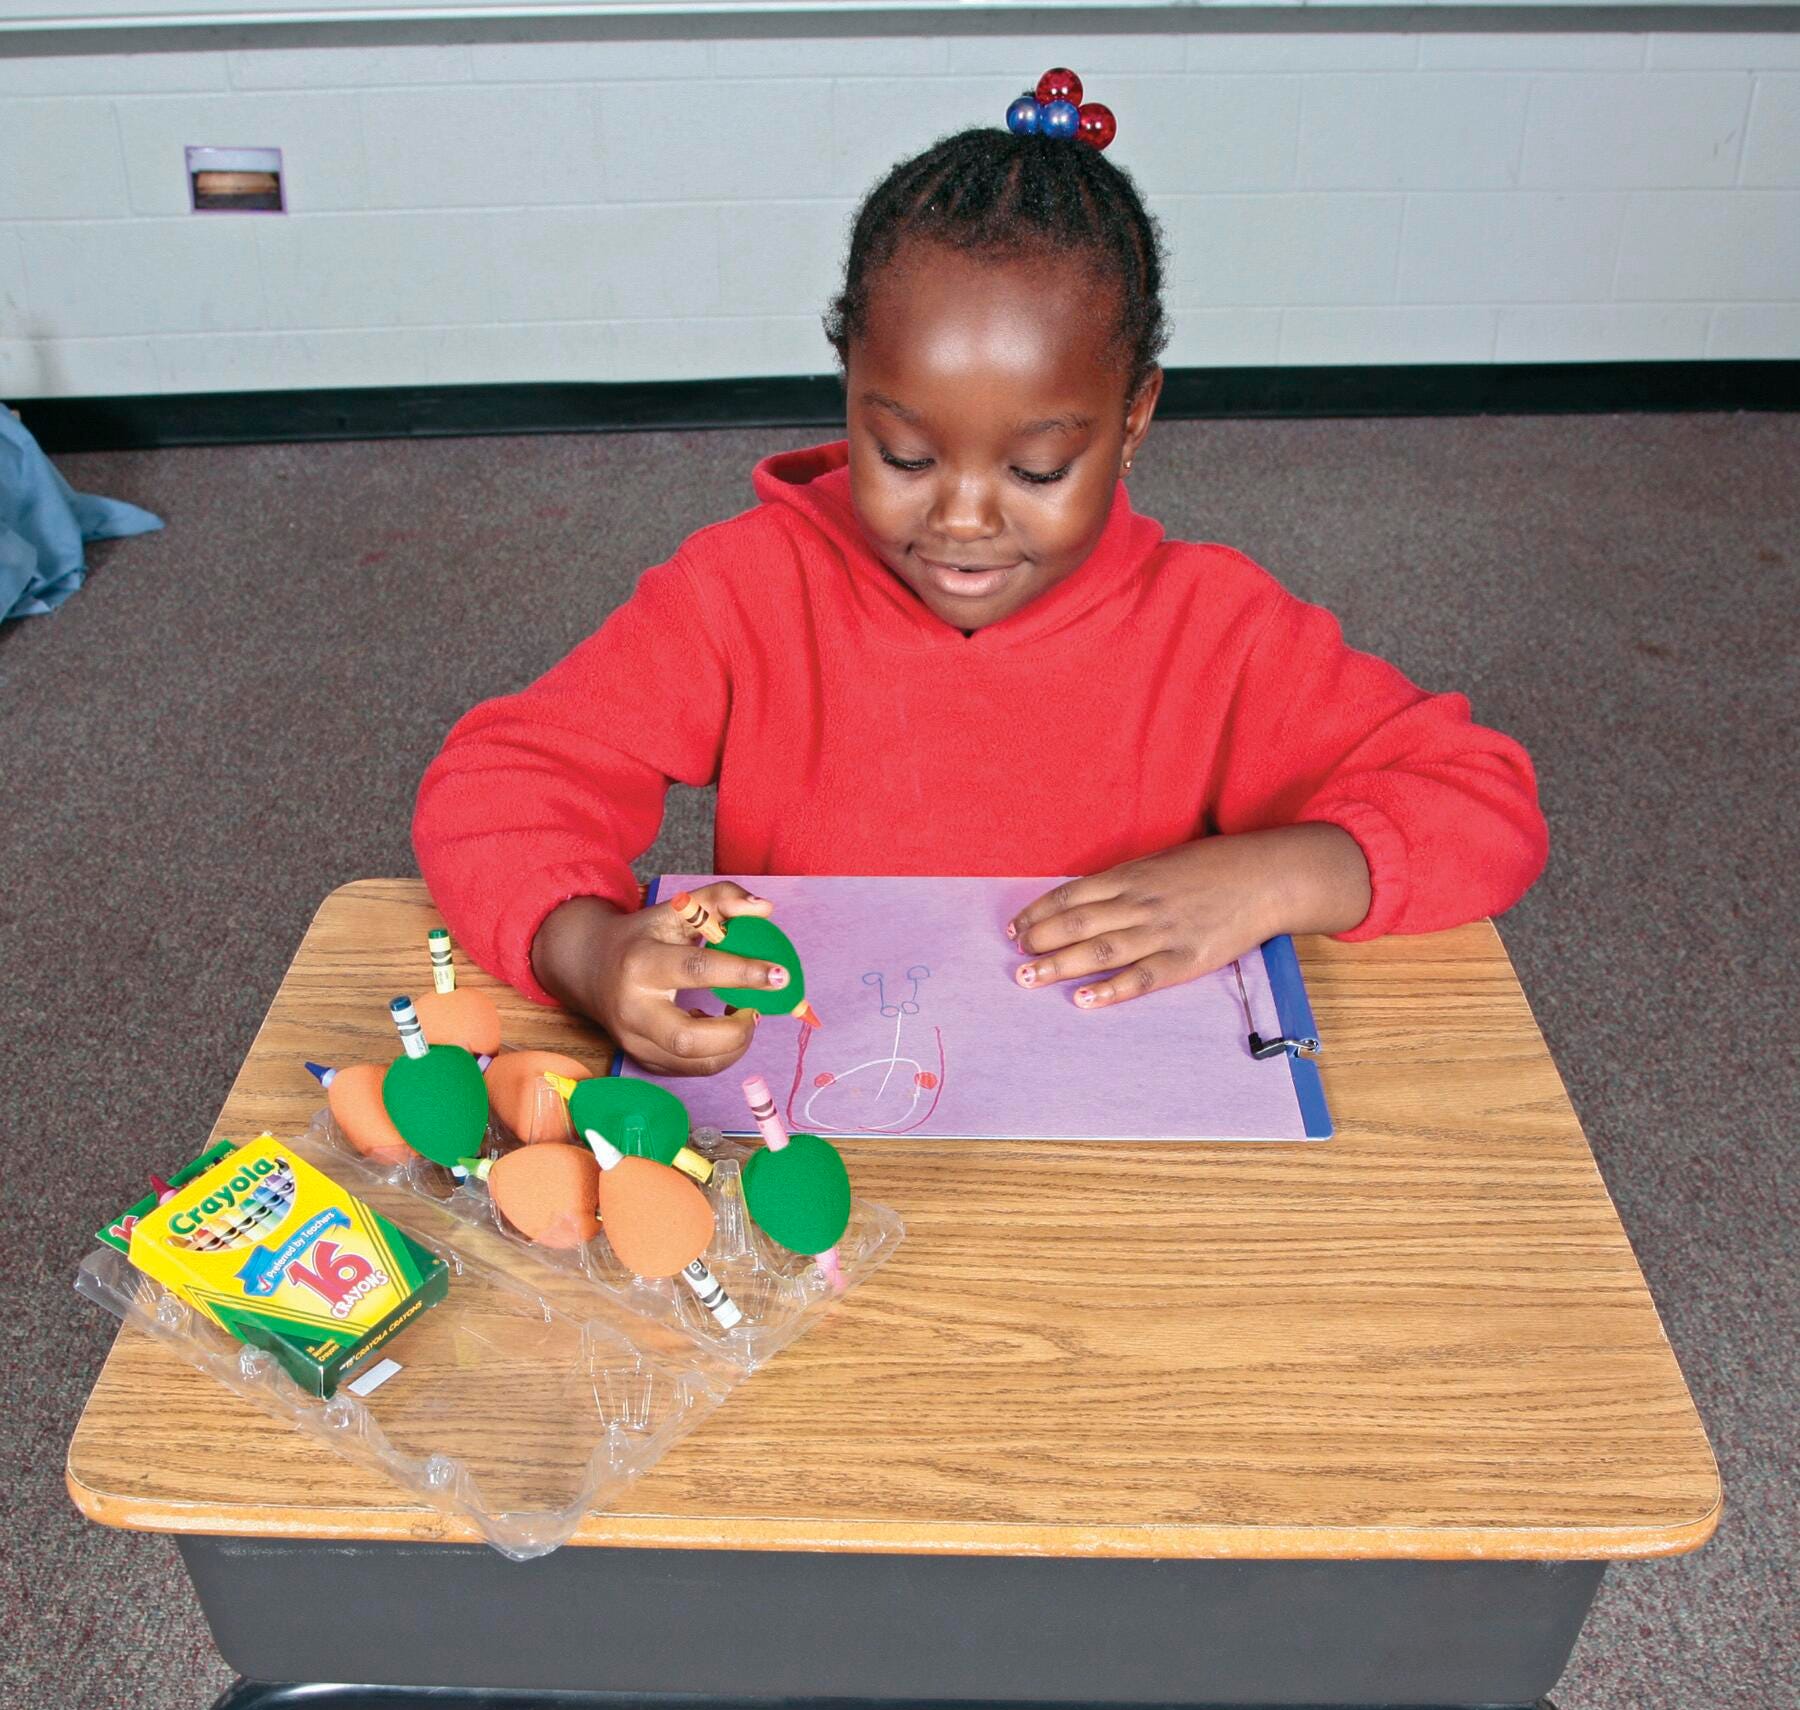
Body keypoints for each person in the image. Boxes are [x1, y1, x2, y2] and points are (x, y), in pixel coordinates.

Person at [414, 106, 1547, 1076]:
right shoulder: (747, 589)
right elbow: (498, 782)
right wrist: (588, 950)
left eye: (1037, 469)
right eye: (905, 455)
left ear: (1134, 419)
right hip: (815, 1125)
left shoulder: (1217, 630)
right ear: (851, 391)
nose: (961, 518)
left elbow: (1483, 803)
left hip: (1121, 1142)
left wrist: (1272, 878)